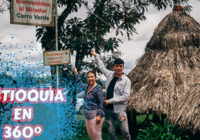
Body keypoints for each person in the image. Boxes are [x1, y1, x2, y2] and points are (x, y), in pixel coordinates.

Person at [91, 50, 131, 140]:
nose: (118, 68)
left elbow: (126, 97)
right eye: (117, 66)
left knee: (125, 132)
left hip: (120, 112)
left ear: (123, 68)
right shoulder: (109, 75)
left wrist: (109, 101)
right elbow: (101, 67)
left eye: (120, 66)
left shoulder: (126, 81)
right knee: (111, 133)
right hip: (108, 111)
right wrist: (96, 56)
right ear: (113, 67)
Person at [73, 68, 105, 140]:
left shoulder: (98, 88)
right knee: (92, 137)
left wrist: (99, 115)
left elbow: (101, 102)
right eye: (88, 77)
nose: (90, 79)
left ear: (95, 78)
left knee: (97, 137)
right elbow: (80, 84)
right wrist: (76, 73)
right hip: (88, 115)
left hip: (95, 115)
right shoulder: (87, 87)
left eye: (91, 77)